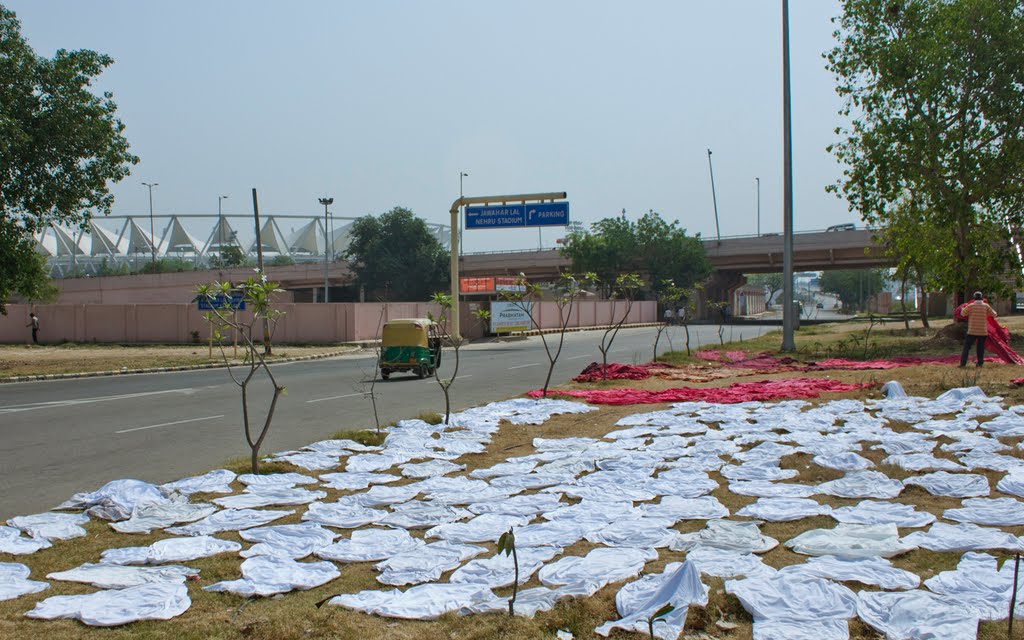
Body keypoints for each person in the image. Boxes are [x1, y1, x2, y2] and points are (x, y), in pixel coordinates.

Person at [959, 291, 996, 367]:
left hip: (972, 331)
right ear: (982, 297)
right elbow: (994, 315)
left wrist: (963, 309)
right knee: (980, 348)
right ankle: (980, 363)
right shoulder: (986, 306)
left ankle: (963, 363)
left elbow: (962, 314)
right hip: (982, 331)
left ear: (974, 298)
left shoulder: (971, 306)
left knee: (967, 347)